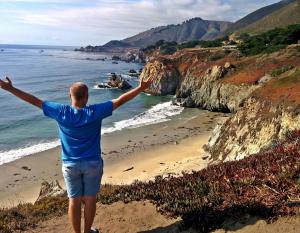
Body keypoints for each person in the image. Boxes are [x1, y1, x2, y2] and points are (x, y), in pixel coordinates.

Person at [0, 76, 153, 233]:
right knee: (90, 199)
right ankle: (87, 231)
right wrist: (140, 88)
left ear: (69, 96)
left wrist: (10, 88)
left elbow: (34, 101)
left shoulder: (61, 112)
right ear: (87, 97)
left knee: (73, 200)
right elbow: (120, 100)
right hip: (92, 163)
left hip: (70, 165)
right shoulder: (94, 112)